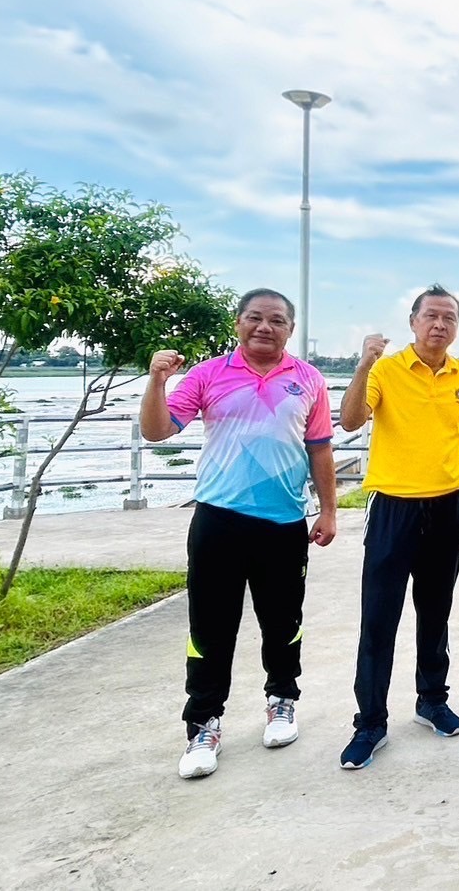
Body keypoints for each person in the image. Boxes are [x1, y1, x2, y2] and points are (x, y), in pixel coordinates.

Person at [140, 289, 337, 780]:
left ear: (290, 328)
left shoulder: (308, 380)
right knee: (210, 625)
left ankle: (282, 699)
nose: (264, 327)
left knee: (282, 621)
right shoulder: (208, 375)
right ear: (238, 323)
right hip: (218, 522)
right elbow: (157, 430)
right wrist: (156, 380)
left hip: (284, 524)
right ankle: (203, 723)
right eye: (255, 318)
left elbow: (320, 450)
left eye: (276, 320)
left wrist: (329, 511)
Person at [336, 285, 459, 770]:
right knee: (379, 618)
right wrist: (363, 364)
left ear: (457, 327)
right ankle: (371, 721)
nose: (439, 325)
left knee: (435, 612)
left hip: (448, 506)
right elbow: (350, 419)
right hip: (393, 509)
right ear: (413, 321)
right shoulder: (386, 368)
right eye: (431, 316)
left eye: (449, 318)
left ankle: (431, 700)